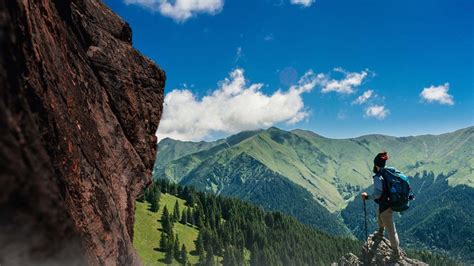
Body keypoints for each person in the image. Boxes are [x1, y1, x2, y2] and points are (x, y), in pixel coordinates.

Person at [361, 151, 401, 259]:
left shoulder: (379, 177)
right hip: (388, 202)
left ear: (376, 164)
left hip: (386, 205)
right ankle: (380, 231)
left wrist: (367, 196)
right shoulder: (389, 171)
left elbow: (378, 194)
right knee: (379, 213)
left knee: (391, 229)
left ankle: (396, 252)